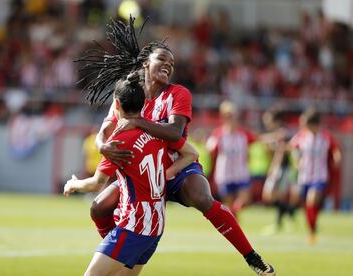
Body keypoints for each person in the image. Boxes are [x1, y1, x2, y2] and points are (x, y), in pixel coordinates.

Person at [78, 16, 275, 275]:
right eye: (162, 60)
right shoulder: (129, 93)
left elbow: (174, 132)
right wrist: (103, 146)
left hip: (178, 168)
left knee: (202, 197)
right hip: (147, 173)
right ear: (146, 62)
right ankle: (117, 250)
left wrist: (137, 122)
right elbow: (106, 127)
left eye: (172, 63)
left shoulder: (178, 93)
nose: (168, 66)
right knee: (98, 206)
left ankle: (252, 258)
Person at [64, 73, 199, 276]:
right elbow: (192, 153)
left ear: (116, 104)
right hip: (156, 225)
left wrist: (73, 184)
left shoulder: (121, 140)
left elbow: (96, 183)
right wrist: (167, 173)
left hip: (134, 225)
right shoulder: (157, 130)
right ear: (143, 103)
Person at [288, 108, 341, 244]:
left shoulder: (325, 136)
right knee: (307, 205)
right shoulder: (301, 136)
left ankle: (312, 232)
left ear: (312, 123)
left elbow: (335, 148)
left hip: (319, 175)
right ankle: (313, 227)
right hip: (304, 176)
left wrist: (336, 158)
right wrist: (296, 161)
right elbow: (292, 147)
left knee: (312, 200)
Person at [206, 100, 257, 216]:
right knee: (228, 205)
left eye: (234, 116)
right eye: (229, 116)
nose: (233, 119)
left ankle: (234, 212)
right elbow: (210, 150)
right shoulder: (218, 134)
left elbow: (257, 139)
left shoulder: (243, 134)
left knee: (245, 198)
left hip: (241, 173)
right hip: (224, 174)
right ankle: (235, 226)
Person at [261, 109, 298, 235]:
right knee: (276, 197)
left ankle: (287, 215)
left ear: (275, 120)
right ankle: (286, 217)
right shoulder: (276, 134)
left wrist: (274, 167)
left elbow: (281, 151)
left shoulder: (282, 133)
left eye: (268, 119)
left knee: (270, 195)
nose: (266, 122)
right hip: (282, 168)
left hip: (283, 168)